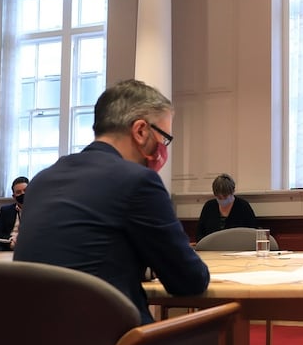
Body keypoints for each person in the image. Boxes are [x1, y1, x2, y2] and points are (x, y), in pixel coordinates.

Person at [13, 79, 210, 324]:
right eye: (165, 138)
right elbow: (189, 280)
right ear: (140, 131)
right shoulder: (138, 181)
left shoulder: (42, 180)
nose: (163, 148)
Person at [195, 173, 258, 242]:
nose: (222, 200)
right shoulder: (209, 206)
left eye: (225, 196)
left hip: (237, 249)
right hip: (212, 249)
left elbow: (253, 233)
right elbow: (199, 234)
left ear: (232, 191)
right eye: (219, 197)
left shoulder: (243, 207)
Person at [0, 176, 29, 251]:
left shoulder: (40, 210)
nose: (22, 194)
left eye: (25, 190)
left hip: (29, 243)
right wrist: (11, 241)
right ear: (14, 196)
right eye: (18, 192)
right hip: (9, 244)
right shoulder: (6, 210)